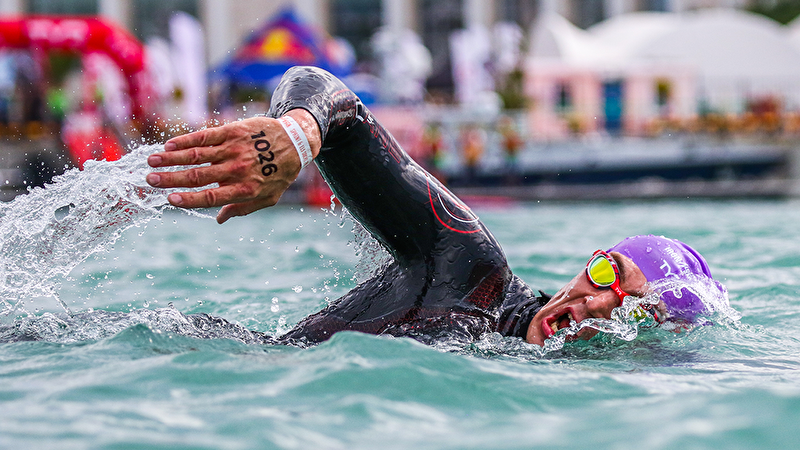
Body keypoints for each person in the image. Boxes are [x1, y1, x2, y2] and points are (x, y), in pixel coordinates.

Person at [146, 66, 726, 348]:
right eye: (605, 273)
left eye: (634, 312)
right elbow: (331, 97)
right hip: (202, 359)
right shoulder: (467, 265)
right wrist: (295, 137)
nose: (598, 303)